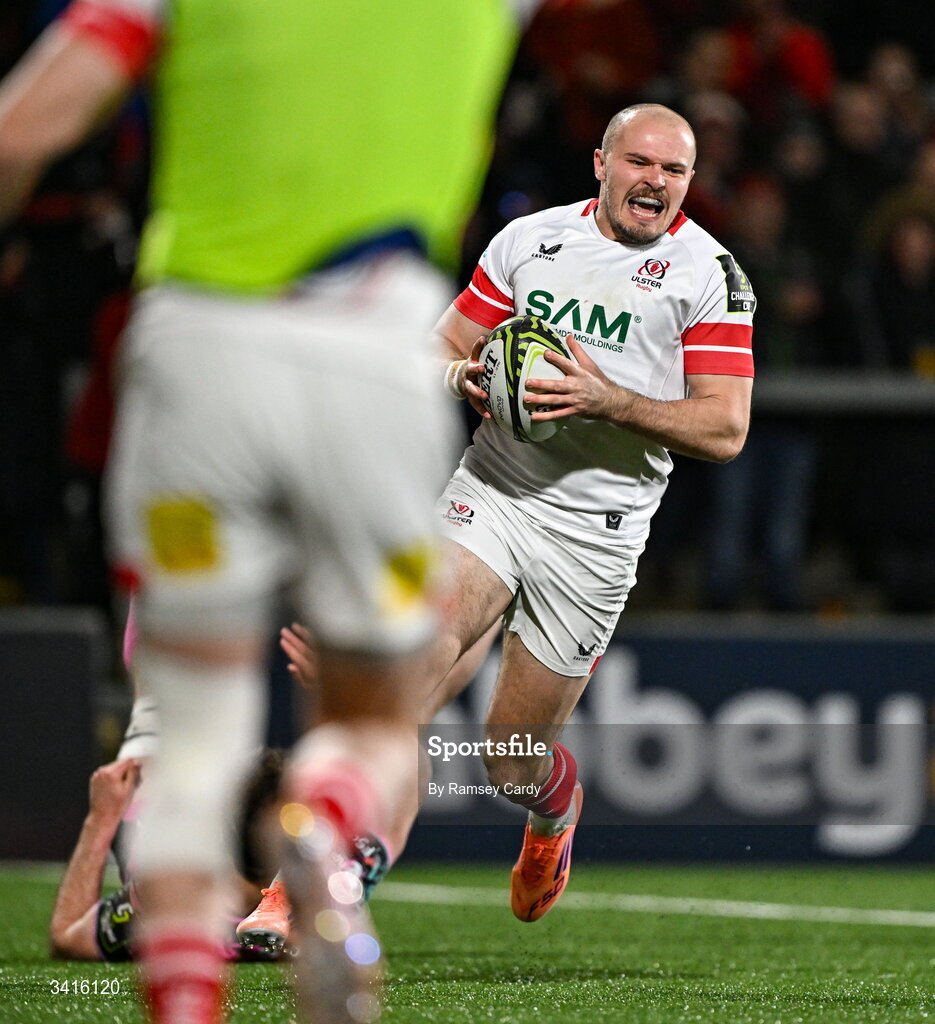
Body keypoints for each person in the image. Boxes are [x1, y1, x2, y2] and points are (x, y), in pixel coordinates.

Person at [0, 3, 534, 1022]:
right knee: (377, 718)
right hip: (374, 360)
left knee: (192, 736)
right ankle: (326, 818)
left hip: (197, 363)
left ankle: (188, 999)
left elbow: (24, 128)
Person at [432, 102, 754, 921]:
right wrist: (458, 381)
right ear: (600, 164)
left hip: (595, 532)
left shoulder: (707, 275)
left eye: (673, 170)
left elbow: (723, 428)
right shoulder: (527, 240)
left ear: (689, 181)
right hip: (494, 489)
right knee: (410, 664)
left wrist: (608, 400)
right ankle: (295, 898)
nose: (655, 182)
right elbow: (444, 345)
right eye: (639, 162)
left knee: (509, 762)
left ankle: (553, 810)